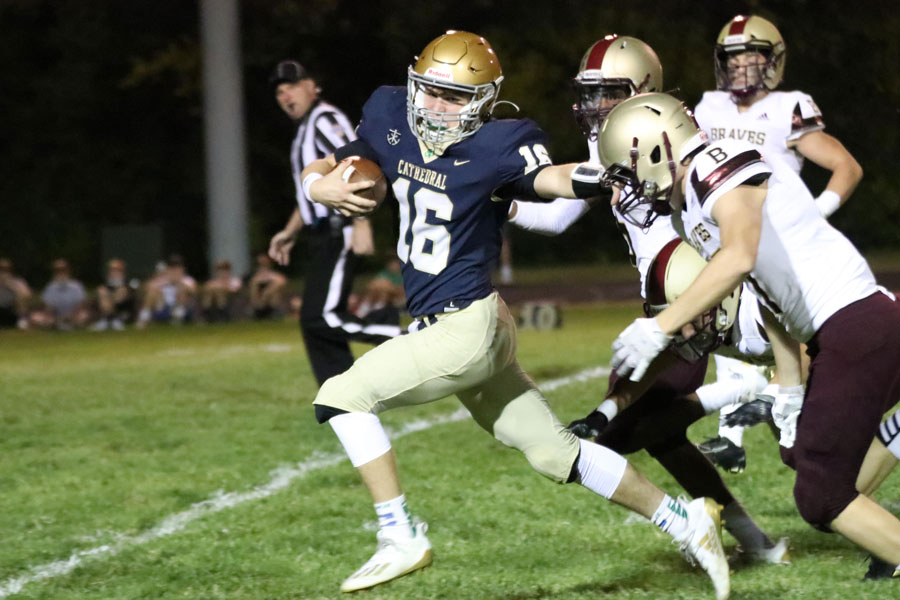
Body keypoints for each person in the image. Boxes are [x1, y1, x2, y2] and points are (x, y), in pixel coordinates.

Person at [301, 31, 730, 598]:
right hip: (471, 323)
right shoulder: (389, 112)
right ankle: (684, 520)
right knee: (556, 452)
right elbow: (353, 155)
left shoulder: (501, 144)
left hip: (466, 328)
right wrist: (319, 182)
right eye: (429, 92)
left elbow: (551, 178)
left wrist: (604, 176)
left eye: (454, 98)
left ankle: (398, 535)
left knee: (342, 395)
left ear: (484, 100)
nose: (435, 107)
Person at [595, 91, 900, 577]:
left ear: (657, 150)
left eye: (625, 173)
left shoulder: (716, 165)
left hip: (854, 322)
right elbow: (765, 289)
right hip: (846, 328)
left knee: (821, 496)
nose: (623, 191)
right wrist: (791, 386)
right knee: (801, 455)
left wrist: (660, 326)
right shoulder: (688, 204)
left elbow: (738, 258)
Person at [511, 34, 785, 564]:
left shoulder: (669, 135)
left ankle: (753, 389)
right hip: (665, 301)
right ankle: (757, 543)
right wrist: (497, 205)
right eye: (588, 94)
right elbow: (559, 215)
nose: (593, 106)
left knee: (612, 436)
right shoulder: (607, 144)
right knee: (660, 432)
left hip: (697, 295)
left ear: (644, 89)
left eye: (607, 93)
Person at [692, 14, 864, 467]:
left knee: (799, 332)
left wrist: (819, 211)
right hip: (731, 233)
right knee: (724, 325)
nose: (742, 64)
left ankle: (794, 416)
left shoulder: (789, 105)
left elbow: (846, 166)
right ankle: (732, 436)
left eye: (752, 53)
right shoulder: (707, 108)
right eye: (733, 55)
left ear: (773, 59)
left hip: (784, 240)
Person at [265, 59, 402, 386]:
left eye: (293, 87)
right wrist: (290, 230)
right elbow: (320, 189)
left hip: (340, 229)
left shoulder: (324, 119)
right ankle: (341, 399)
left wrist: (361, 221)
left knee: (320, 317)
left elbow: (357, 165)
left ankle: (401, 332)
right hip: (322, 233)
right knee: (314, 324)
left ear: (314, 86)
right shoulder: (305, 129)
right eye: (280, 92)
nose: (286, 97)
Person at [136, 254, 196, 328]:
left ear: (182, 268)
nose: (175, 269)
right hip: (162, 306)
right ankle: (143, 319)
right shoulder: (162, 279)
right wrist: (165, 281)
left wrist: (178, 282)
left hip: (180, 308)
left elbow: (193, 292)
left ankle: (177, 318)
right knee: (153, 291)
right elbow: (147, 288)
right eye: (172, 267)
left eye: (178, 267)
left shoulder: (187, 280)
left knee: (183, 289)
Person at [34, 258, 90, 330]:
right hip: (55, 318)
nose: (60, 273)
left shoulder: (77, 286)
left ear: (68, 270)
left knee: (83, 316)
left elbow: (81, 304)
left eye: (63, 270)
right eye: (57, 270)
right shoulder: (50, 287)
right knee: (38, 318)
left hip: (74, 316)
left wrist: (71, 316)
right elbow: (47, 307)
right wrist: (55, 317)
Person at [92, 258, 138, 331]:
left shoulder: (129, 281)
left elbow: (132, 294)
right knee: (102, 292)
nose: (114, 272)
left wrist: (113, 295)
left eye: (117, 269)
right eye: (112, 269)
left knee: (121, 291)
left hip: (125, 309)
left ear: (122, 270)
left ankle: (109, 318)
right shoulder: (105, 282)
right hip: (108, 306)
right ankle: (112, 318)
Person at [248, 253, 288, 319]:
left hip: (271, 298)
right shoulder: (256, 275)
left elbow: (282, 281)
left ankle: (265, 304)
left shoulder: (275, 274)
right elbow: (254, 281)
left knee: (276, 285)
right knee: (254, 286)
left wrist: (266, 292)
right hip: (259, 299)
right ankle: (259, 307)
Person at [0, 257, 32, 329]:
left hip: (12, 310)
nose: (3, 271)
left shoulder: (18, 281)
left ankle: (22, 322)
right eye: (1, 269)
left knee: (21, 298)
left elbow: (27, 296)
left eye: (6, 269)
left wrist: (11, 286)